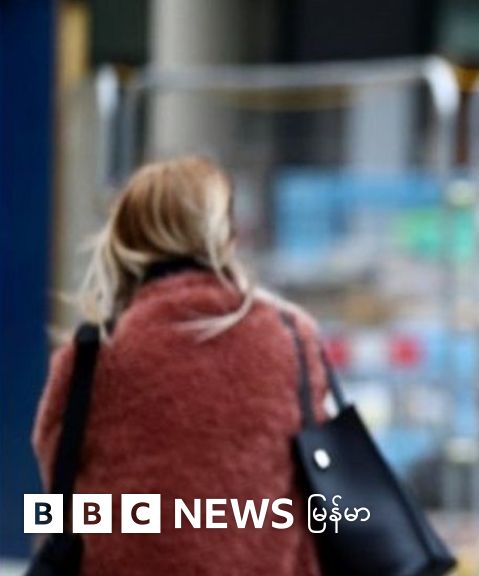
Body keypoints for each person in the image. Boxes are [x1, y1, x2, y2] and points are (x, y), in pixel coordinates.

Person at [33, 156, 328, 575]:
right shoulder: (291, 338)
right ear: (224, 236)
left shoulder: (96, 354)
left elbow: (56, 477)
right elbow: (320, 473)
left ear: (125, 237)